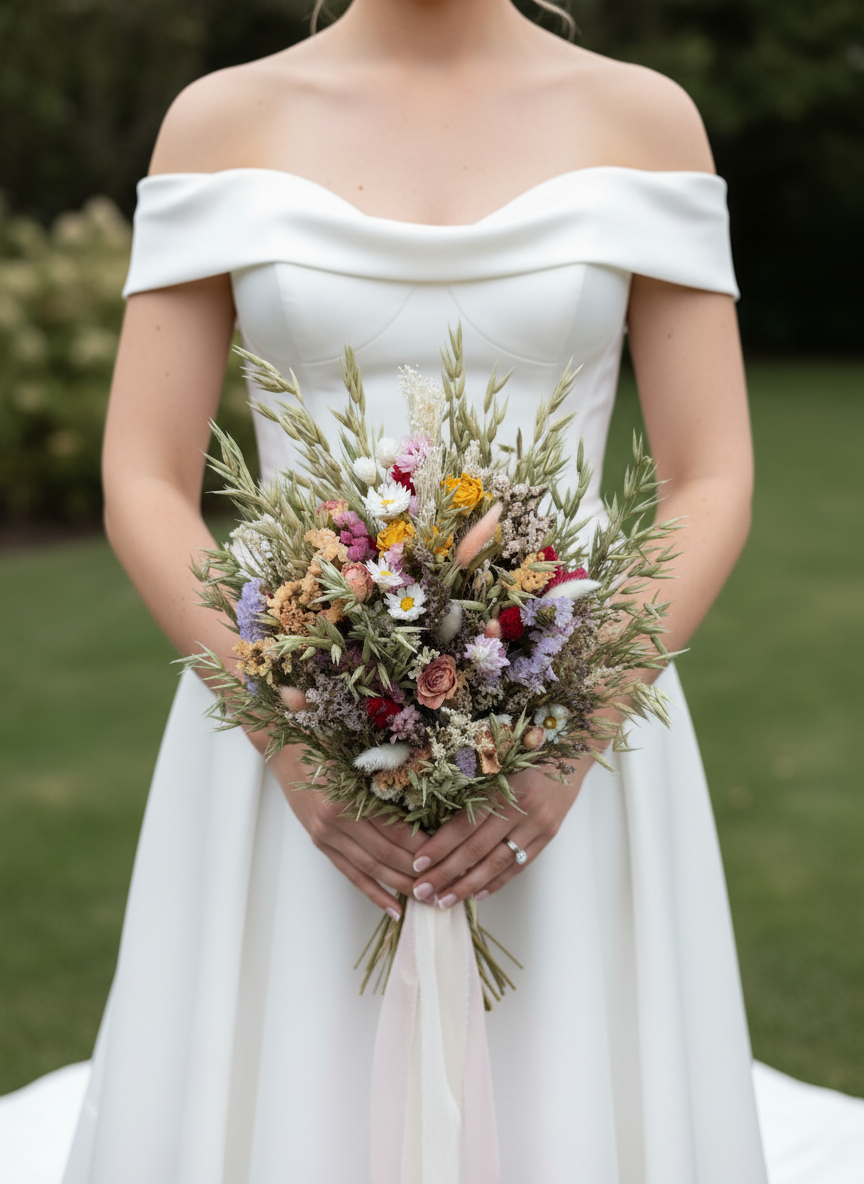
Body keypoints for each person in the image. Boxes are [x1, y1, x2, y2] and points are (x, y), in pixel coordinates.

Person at [61, 0, 768, 1180]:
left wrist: (575, 733)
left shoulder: (643, 118)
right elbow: (142, 474)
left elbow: (714, 474)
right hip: (275, 710)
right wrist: (288, 736)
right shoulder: (220, 119)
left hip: (574, 722)